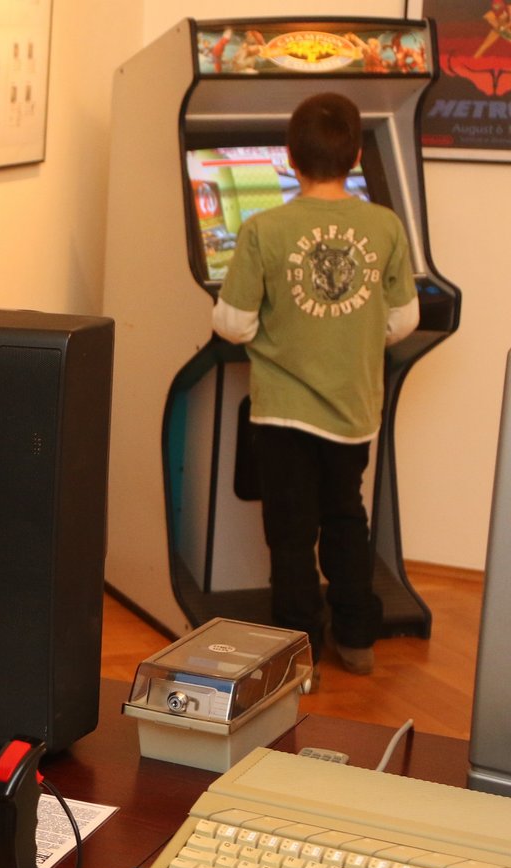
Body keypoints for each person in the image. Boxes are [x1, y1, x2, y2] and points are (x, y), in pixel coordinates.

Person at [212, 91, 419, 679]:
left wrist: (279, 334)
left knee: (291, 532)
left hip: (282, 412)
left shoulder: (263, 228)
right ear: (355, 156)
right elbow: (403, 319)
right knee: (346, 516)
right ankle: (357, 637)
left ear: (288, 157)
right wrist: (354, 336)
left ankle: (300, 653)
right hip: (352, 409)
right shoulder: (385, 225)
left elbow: (233, 323)